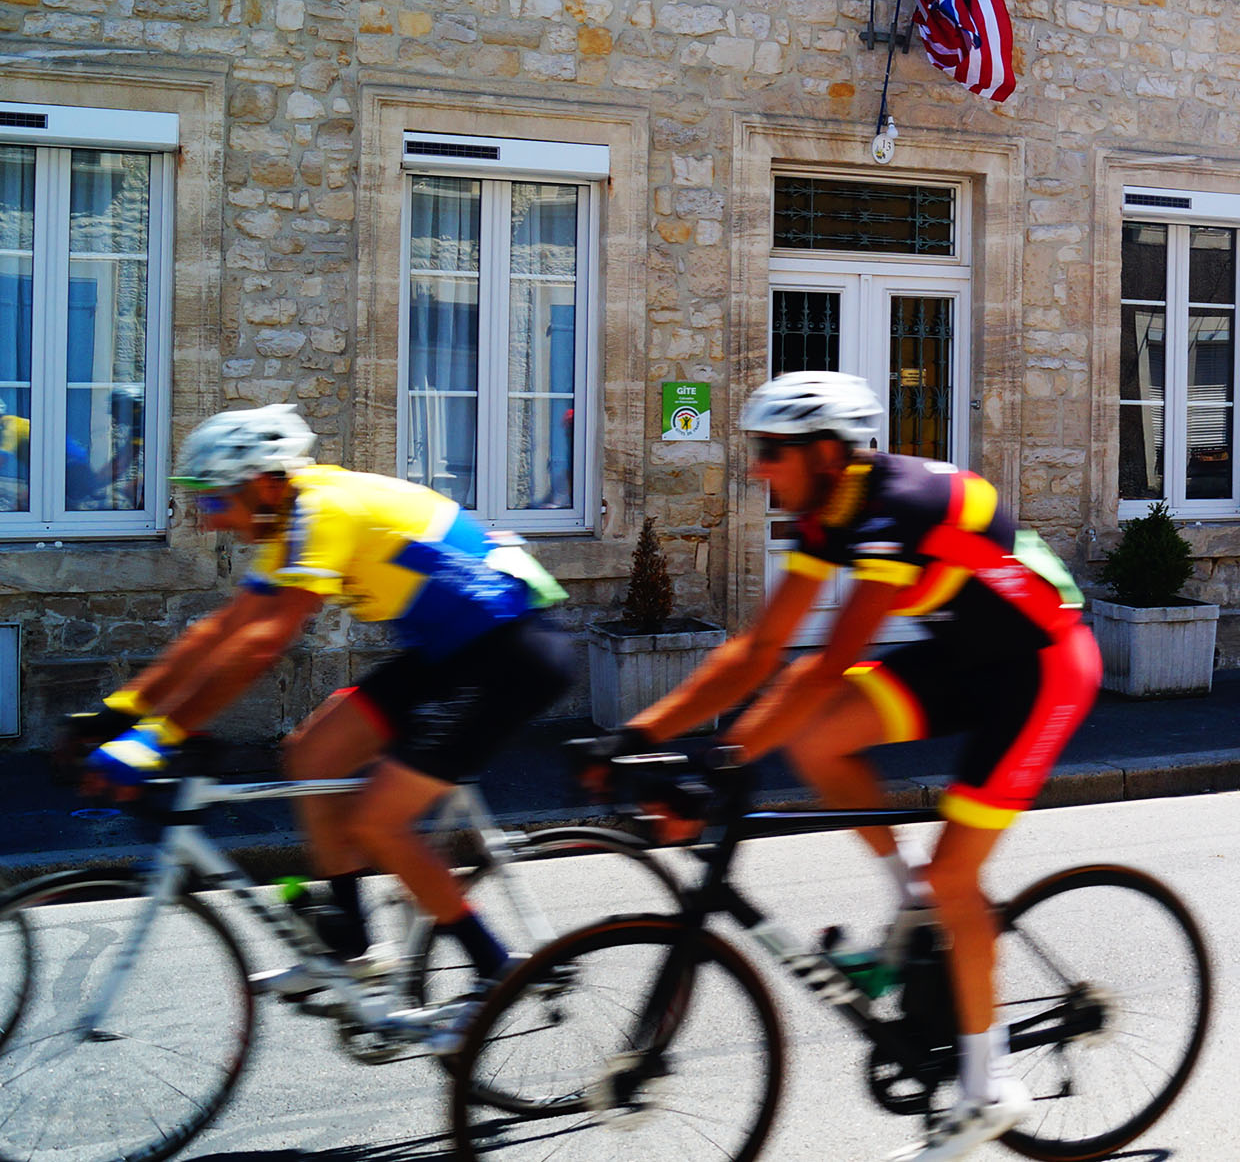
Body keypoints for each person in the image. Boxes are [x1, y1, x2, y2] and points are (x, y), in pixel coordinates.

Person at [590, 371, 1099, 1162]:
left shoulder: (899, 509)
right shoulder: (831, 511)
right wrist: (636, 733)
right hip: (965, 654)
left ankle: (991, 1079)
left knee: (957, 874)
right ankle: (911, 906)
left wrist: (720, 760)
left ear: (828, 453)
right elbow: (759, 648)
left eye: (771, 450)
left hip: (1044, 665)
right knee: (821, 740)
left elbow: (826, 662)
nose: (758, 466)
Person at [77, 404, 573, 994]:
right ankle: (352, 946)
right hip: (451, 652)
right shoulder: (291, 518)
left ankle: (497, 968)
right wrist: (122, 710)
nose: (207, 521)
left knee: (377, 821)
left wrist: (159, 737)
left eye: (214, 500)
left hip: (514, 652)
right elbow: (222, 628)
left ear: (263, 482)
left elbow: (264, 643)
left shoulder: (324, 509)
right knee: (312, 755)